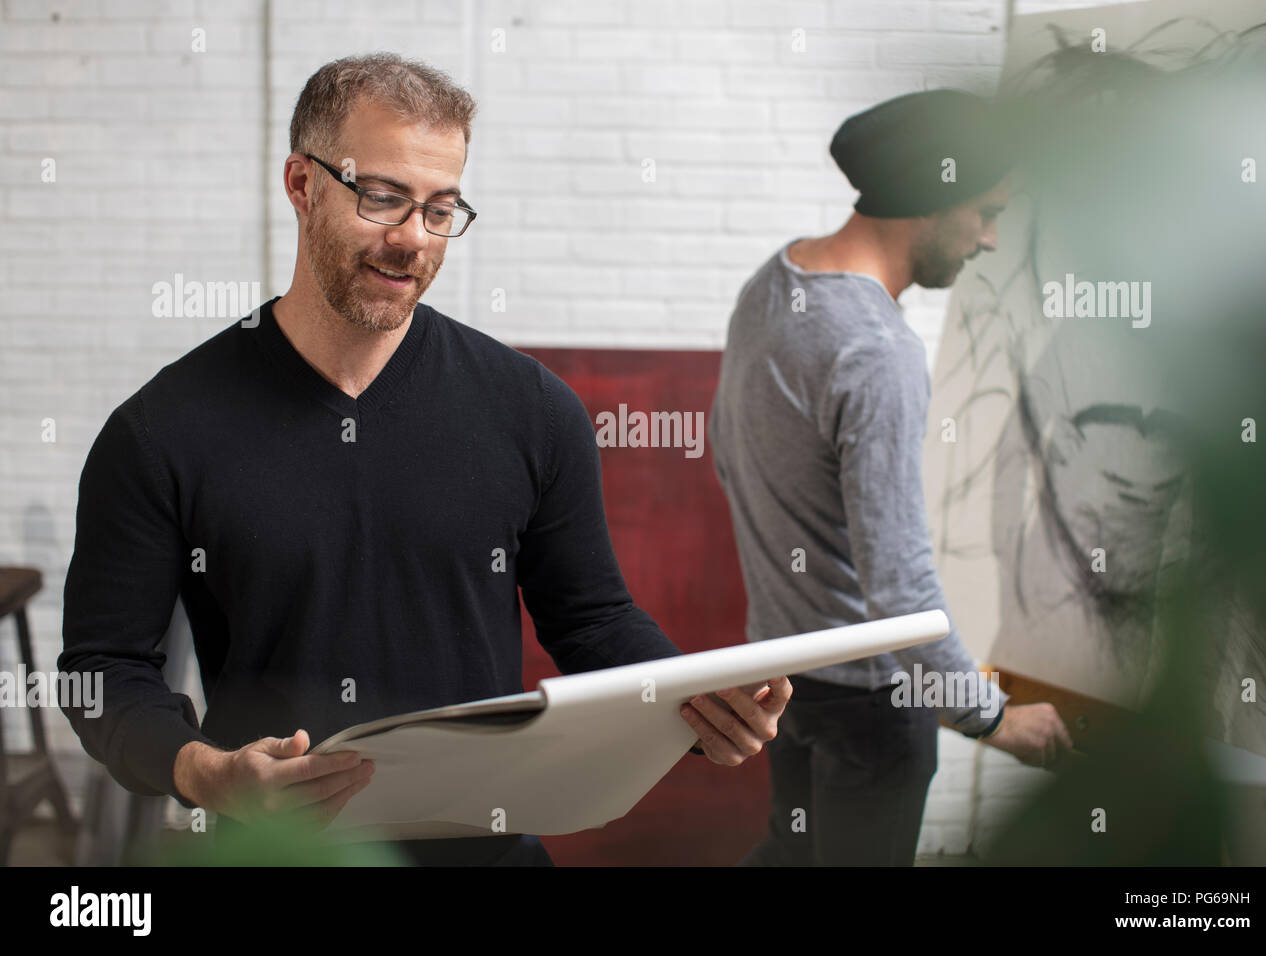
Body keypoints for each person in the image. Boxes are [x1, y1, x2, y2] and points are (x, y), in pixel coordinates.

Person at [59, 53, 789, 867]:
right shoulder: (161, 431)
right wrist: (207, 773)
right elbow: (105, 669)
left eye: (442, 209)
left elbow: (591, 619)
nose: (412, 239)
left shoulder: (533, 410)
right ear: (301, 185)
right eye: (382, 198)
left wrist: (687, 700)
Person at [708, 89, 1072, 866]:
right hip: (871, 705)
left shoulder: (771, 283)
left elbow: (730, 460)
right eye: (984, 212)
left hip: (786, 674)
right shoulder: (877, 349)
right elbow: (898, 588)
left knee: (790, 854)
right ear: (932, 200)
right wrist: (991, 719)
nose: (991, 238)